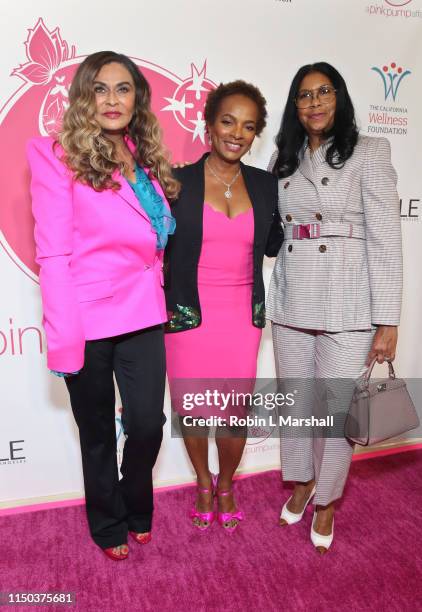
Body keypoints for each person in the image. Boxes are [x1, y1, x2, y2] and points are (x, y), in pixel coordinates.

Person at [27, 51, 178, 560]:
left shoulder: (145, 157)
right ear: (83, 98)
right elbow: (53, 253)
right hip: (87, 319)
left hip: (144, 314)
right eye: (100, 88)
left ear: (137, 100)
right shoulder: (55, 156)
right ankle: (110, 521)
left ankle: (137, 501)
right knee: (96, 434)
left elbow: (154, 242)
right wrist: (64, 336)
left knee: (147, 425)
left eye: (123, 89)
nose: (112, 99)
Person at [267, 62, 402, 553]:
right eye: (304, 95)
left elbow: (386, 239)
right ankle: (302, 483)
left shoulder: (369, 152)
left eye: (324, 92)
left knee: (336, 409)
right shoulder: (285, 158)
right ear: (295, 106)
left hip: (350, 299)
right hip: (293, 294)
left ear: (339, 97)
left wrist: (387, 319)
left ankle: (326, 502)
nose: (315, 102)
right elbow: (272, 229)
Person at [164, 81, 283, 532]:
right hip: (189, 315)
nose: (237, 133)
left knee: (234, 411)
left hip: (240, 315)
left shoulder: (267, 185)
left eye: (248, 126)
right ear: (209, 125)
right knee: (193, 408)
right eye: (228, 121)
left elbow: (274, 244)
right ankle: (200, 480)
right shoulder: (177, 180)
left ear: (256, 135)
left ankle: (227, 483)